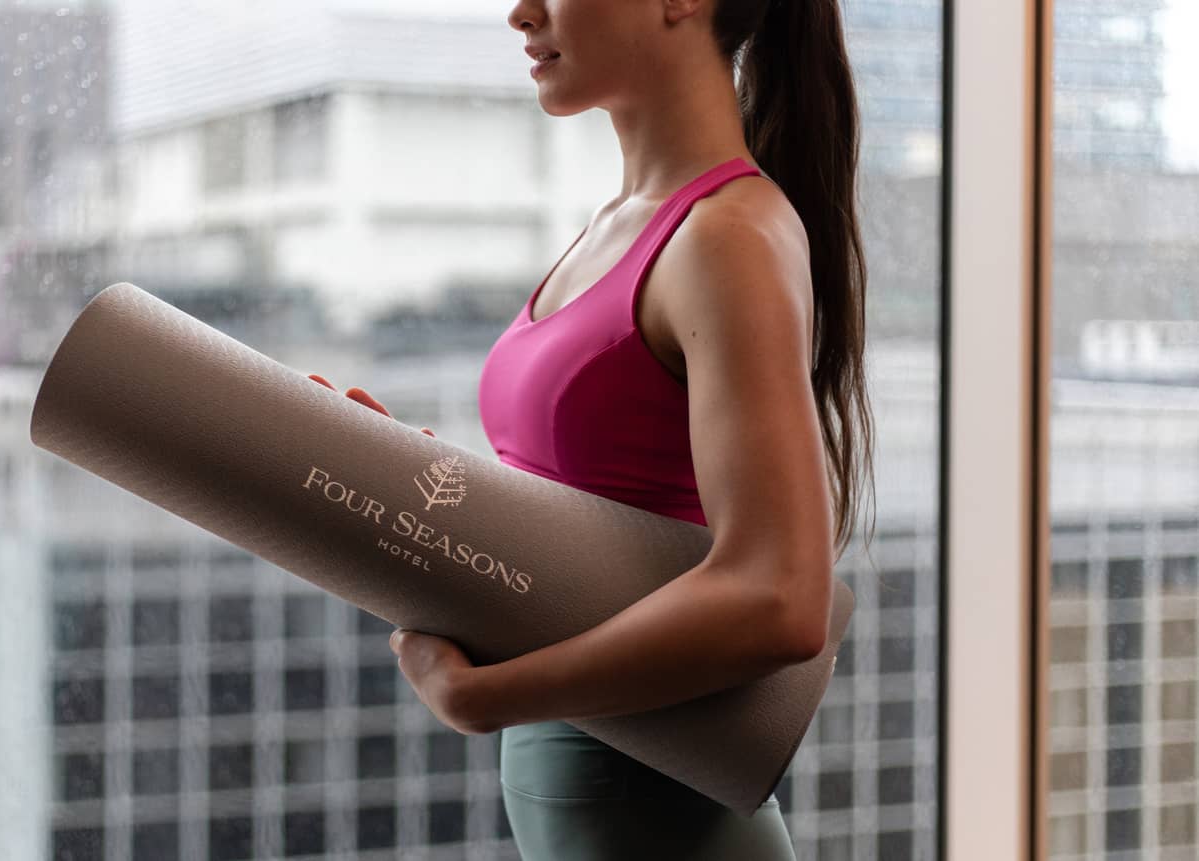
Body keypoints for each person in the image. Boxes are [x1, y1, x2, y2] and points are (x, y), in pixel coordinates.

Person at [311, 0, 876, 855]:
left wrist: (486, 696)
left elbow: (780, 598)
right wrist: (403, 476)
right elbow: (592, 509)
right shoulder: (619, 227)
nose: (520, 12)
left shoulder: (730, 236)